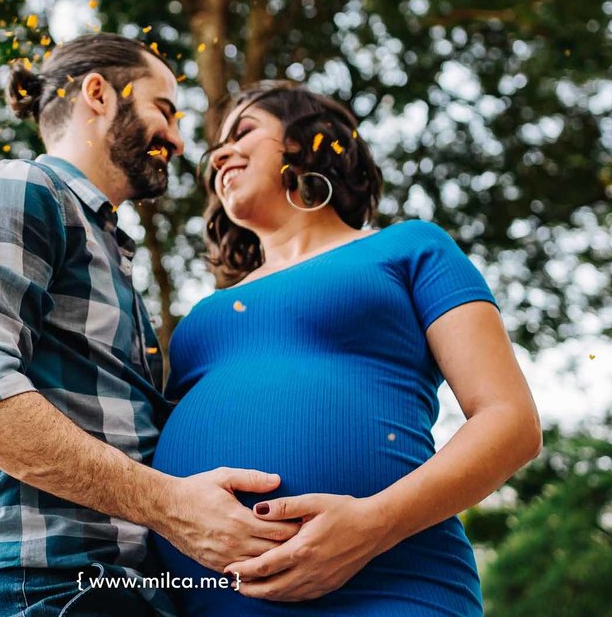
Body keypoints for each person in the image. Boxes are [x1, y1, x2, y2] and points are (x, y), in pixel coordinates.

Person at [0, 34, 299, 617]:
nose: (176, 137)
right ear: (98, 93)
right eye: (163, 109)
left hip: (110, 590)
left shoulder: (110, 249)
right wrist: (171, 504)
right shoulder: (26, 189)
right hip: (26, 586)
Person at [151, 82, 543, 616]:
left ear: (309, 143)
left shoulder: (409, 247)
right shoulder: (200, 319)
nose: (218, 153)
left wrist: (373, 525)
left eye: (244, 132)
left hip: (391, 587)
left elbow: (510, 419)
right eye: (217, 145)